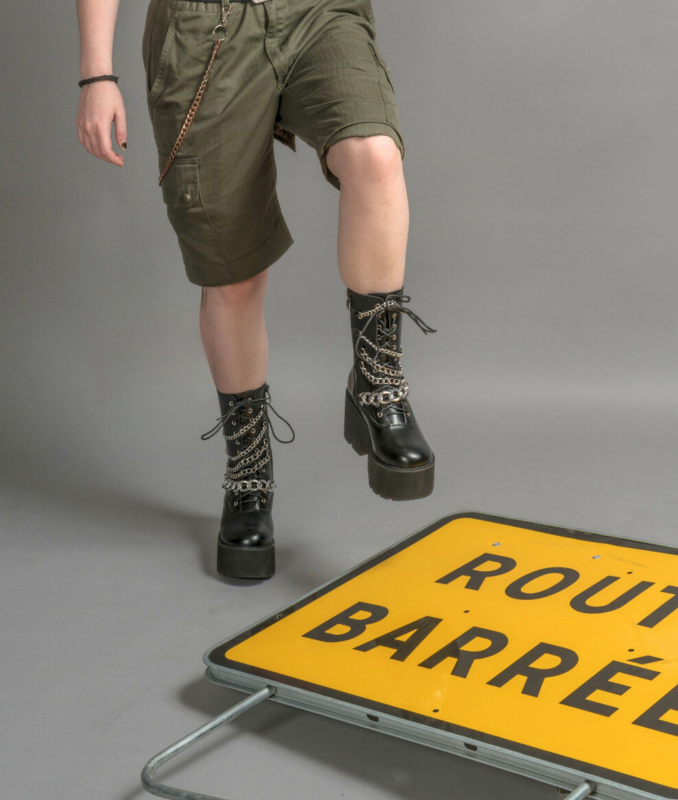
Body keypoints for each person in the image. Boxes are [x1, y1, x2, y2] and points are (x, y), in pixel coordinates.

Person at [76, 0, 436, 581]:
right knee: (233, 275)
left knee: (375, 155)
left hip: (317, 12)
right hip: (202, 29)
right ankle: (249, 472)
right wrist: (97, 75)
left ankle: (378, 382)